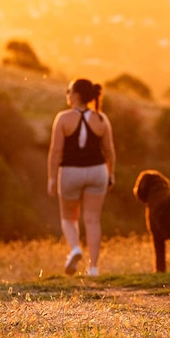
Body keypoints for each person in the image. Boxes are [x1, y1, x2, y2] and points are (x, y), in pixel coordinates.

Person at [47, 78, 116, 277]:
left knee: (69, 217)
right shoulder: (101, 119)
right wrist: (110, 174)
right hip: (98, 171)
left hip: (70, 172)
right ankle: (93, 268)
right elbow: (110, 152)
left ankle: (75, 249)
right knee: (93, 220)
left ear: (76, 96)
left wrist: (52, 178)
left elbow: (55, 152)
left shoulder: (63, 118)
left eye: (69, 91)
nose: (67, 95)